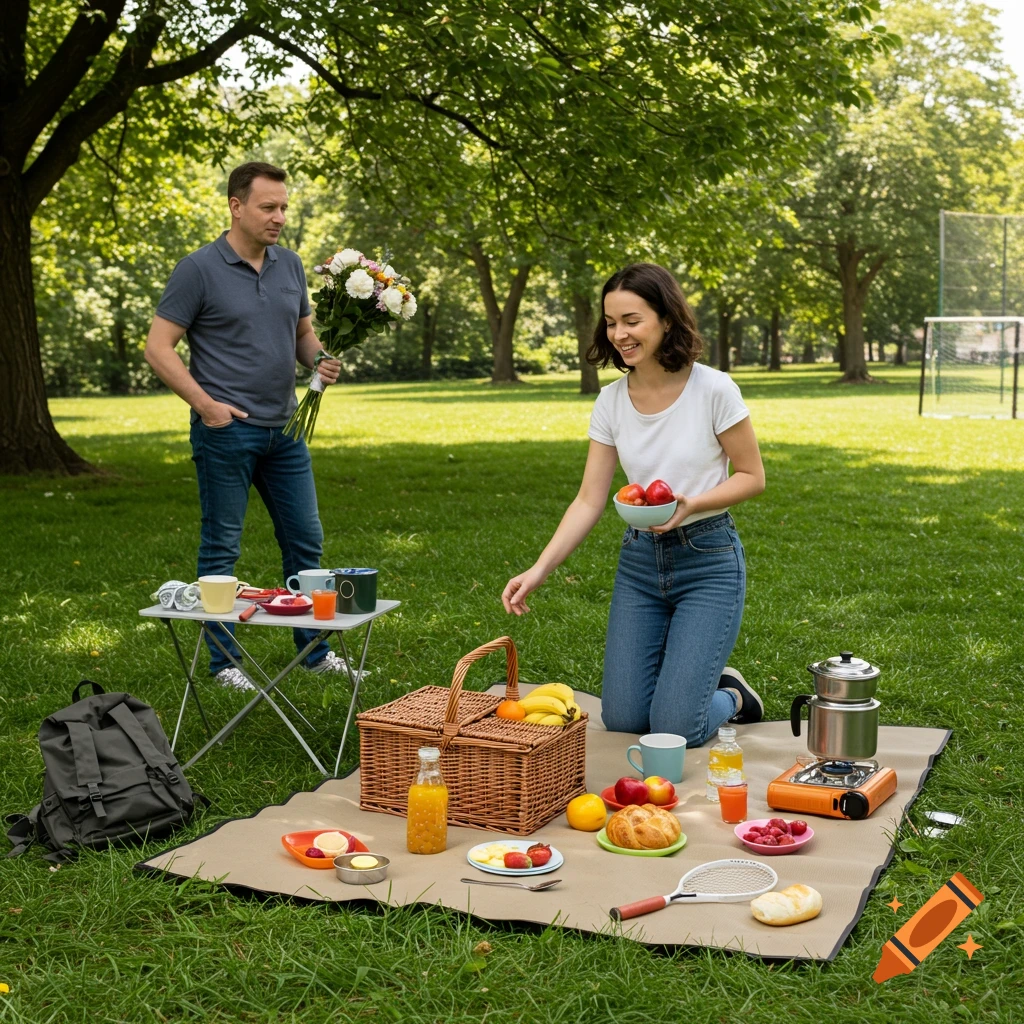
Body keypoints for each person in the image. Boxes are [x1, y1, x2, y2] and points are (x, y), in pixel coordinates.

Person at [501, 263, 766, 746]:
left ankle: (733, 696)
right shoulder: (611, 401)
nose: (619, 334)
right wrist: (538, 570)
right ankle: (687, 686)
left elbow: (753, 477)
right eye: (611, 322)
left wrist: (693, 503)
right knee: (623, 719)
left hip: (708, 561)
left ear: (666, 318)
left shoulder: (714, 389)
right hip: (641, 563)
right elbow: (589, 499)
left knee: (674, 729)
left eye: (632, 320)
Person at [144, 161, 352, 690]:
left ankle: (313, 652)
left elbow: (302, 335)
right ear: (237, 206)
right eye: (268, 207)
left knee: (306, 540)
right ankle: (224, 665)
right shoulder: (197, 269)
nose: (279, 216)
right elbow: (158, 348)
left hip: (284, 431)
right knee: (222, 549)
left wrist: (320, 359)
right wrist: (206, 406)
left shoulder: (290, 265)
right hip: (226, 431)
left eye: (283, 206)